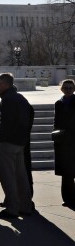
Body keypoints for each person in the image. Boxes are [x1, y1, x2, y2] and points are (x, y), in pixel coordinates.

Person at [0, 73, 35, 219]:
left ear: (5, 84)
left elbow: (6, 122)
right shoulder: (20, 98)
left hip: (8, 142)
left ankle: (12, 208)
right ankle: (25, 206)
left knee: (7, 176)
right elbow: (31, 115)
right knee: (21, 176)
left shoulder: (7, 100)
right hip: (20, 142)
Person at [54, 79, 75, 208]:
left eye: (70, 88)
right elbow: (56, 121)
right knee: (66, 172)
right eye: (66, 87)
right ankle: (67, 198)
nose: (68, 90)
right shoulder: (59, 103)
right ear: (61, 89)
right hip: (64, 141)